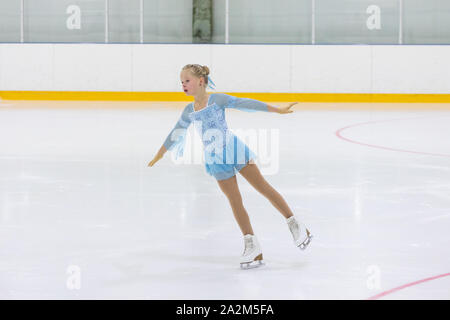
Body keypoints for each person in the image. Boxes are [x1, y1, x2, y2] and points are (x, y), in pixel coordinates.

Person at [148, 64, 312, 269]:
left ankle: (295, 224)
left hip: (233, 149)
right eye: (181, 82)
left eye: (187, 81)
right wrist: (159, 154)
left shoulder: (217, 99)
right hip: (215, 159)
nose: (183, 85)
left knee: (263, 187)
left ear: (200, 81)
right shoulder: (189, 110)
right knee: (235, 201)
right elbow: (176, 132)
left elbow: (246, 103)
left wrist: (277, 110)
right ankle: (252, 245)